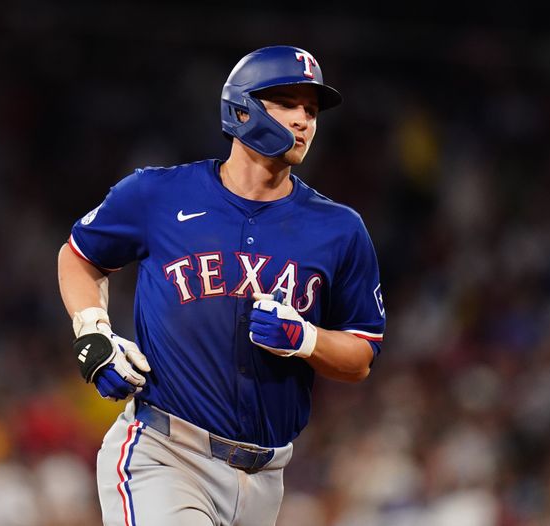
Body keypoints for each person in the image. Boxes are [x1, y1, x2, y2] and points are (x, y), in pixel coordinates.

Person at [57, 45, 386, 526]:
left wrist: (306, 339)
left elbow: (362, 353)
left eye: (311, 111)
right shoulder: (157, 194)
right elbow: (80, 255)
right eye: (287, 103)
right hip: (167, 455)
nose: (303, 121)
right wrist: (93, 330)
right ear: (241, 107)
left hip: (266, 478)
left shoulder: (339, 229)